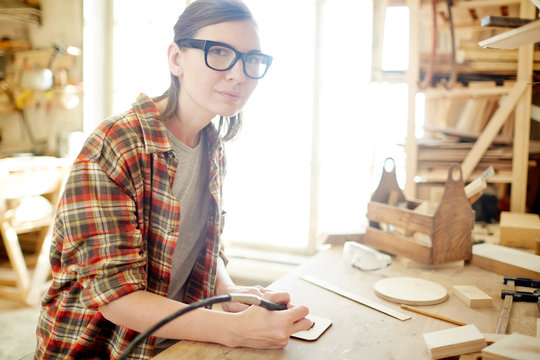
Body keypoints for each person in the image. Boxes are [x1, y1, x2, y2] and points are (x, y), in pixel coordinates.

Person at [35, 0, 312, 358]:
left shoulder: (211, 145)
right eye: (221, 52)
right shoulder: (116, 145)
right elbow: (116, 298)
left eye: (252, 59)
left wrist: (235, 298)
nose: (239, 74)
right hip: (97, 350)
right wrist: (234, 331)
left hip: (170, 344)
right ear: (176, 59)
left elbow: (203, 250)